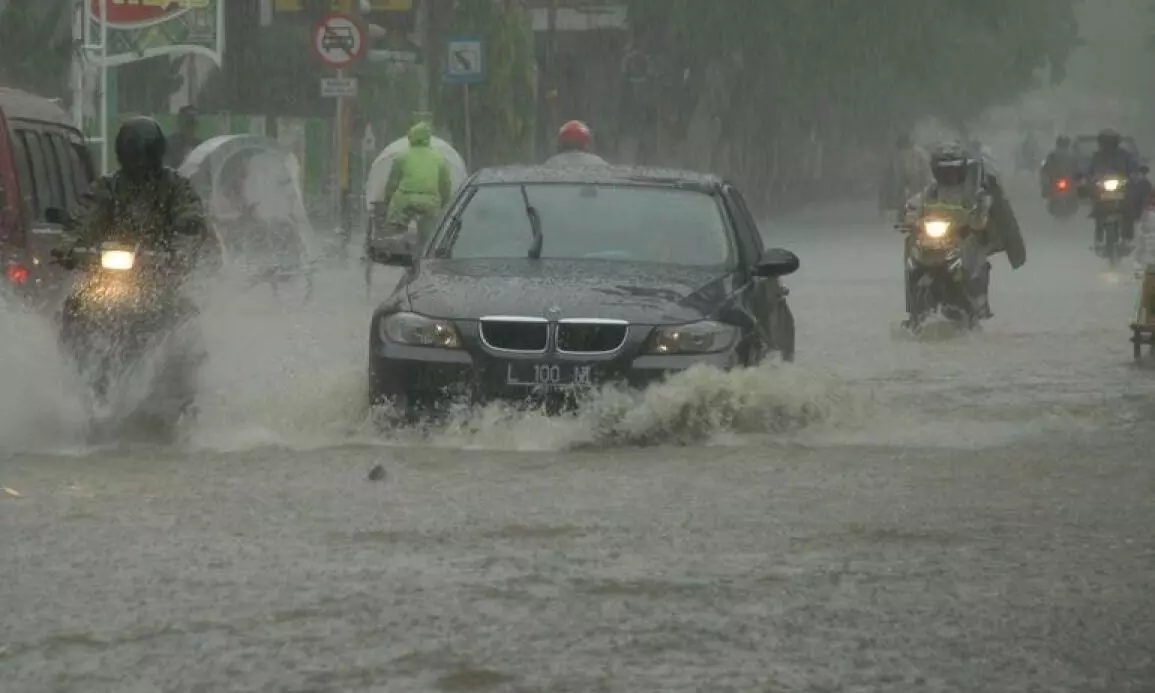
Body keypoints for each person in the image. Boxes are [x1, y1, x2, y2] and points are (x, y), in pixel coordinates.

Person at [901, 141, 1026, 322]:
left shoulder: (974, 191)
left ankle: (977, 300)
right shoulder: (931, 191)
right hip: (932, 241)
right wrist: (908, 217)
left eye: (952, 170)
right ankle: (911, 307)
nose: (949, 175)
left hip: (960, 238)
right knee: (910, 247)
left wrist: (978, 219)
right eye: (944, 170)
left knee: (975, 250)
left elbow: (984, 207)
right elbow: (914, 204)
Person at [72, 116, 208, 259]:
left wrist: (181, 249)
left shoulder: (176, 186)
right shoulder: (108, 186)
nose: (139, 166)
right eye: (133, 157)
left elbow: (190, 218)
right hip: (109, 265)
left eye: (144, 158)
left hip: (164, 265)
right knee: (80, 280)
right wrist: (71, 243)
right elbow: (86, 215)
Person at [377, 120, 453, 244]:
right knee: (430, 236)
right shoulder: (439, 158)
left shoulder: (402, 156)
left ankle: (395, 244)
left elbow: (392, 183)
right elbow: (445, 185)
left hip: (404, 202)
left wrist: (387, 200)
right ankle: (427, 247)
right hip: (430, 204)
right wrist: (446, 204)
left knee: (395, 230)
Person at [1088, 128, 1143, 246]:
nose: (1108, 144)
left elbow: (1133, 167)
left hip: (1121, 187)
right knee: (1097, 206)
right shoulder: (1097, 156)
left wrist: (1134, 175)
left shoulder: (1125, 155)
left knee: (1129, 206)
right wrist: (1088, 178)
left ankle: (1128, 236)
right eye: (1105, 141)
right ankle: (1099, 233)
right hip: (1103, 187)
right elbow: (1090, 170)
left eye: (1110, 141)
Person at [878, 133, 929, 217]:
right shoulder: (898, 156)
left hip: (920, 184)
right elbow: (899, 174)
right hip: (908, 185)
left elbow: (923, 170)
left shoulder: (918, 153)